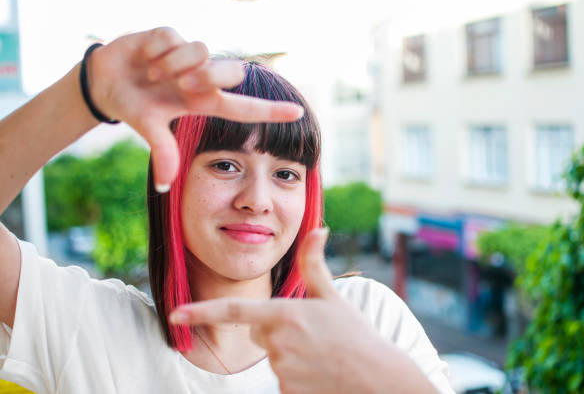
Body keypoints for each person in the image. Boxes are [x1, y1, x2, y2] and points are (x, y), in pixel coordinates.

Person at [0, 27, 454, 393]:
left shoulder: (366, 321)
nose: (256, 200)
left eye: (285, 174)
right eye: (224, 164)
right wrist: (86, 94)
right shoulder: (86, 330)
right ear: (171, 180)